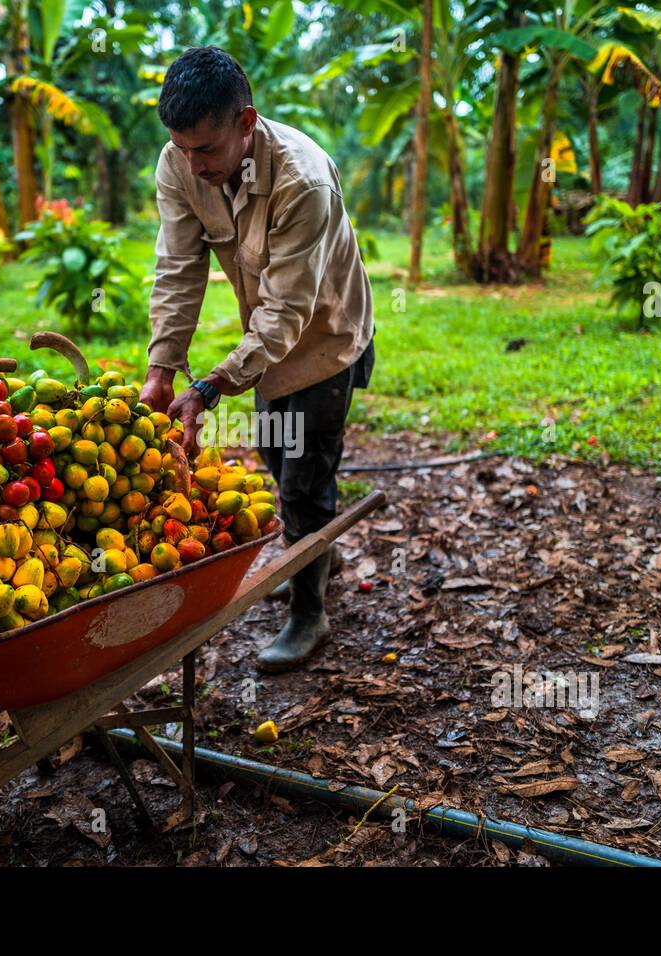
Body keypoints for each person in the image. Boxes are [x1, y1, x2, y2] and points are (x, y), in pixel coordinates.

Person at [138, 46, 375, 673]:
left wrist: (212, 387)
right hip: (265, 350)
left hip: (324, 340)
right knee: (277, 454)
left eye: (206, 150)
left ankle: (310, 614)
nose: (192, 164)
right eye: (182, 149)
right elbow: (178, 267)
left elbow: (288, 312)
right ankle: (315, 551)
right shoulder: (180, 162)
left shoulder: (304, 180)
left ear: (247, 123)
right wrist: (162, 369)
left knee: (304, 474)